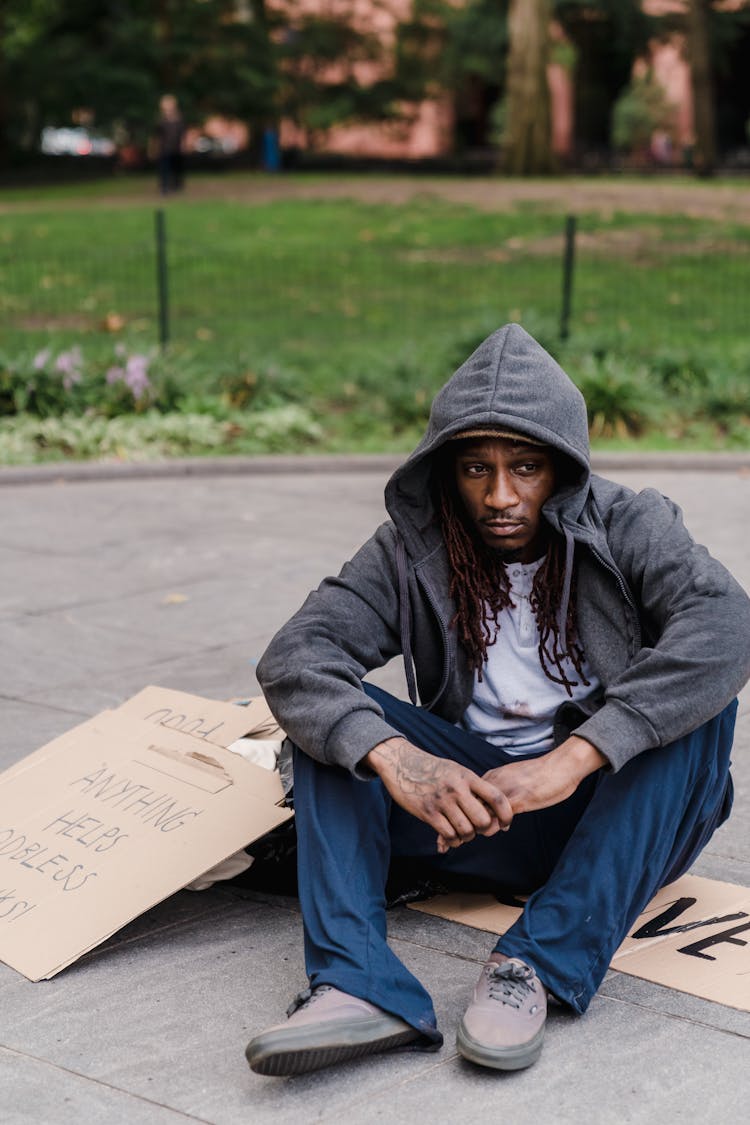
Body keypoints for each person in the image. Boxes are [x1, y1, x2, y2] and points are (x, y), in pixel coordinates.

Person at [246, 324, 750, 1077]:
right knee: (336, 725)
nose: (501, 494)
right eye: (476, 468)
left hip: (621, 818)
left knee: (702, 700)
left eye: (526, 466)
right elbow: (296, 655)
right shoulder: (410, 549)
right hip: (476, 818)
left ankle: (535, 966)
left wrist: (575, 758)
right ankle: (359, 982)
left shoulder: (631, 522)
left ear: (565, 470)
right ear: (447, 471)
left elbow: (727, 624)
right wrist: (396, 756)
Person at [155, 94, 185, 195]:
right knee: (164, 168)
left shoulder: (179, 119)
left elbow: (183, 133)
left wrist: (184, 144)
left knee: (177, 168)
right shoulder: (160, 120)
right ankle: (164, 187)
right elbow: (156, 135)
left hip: (176, 148)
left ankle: (176, 185)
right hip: (164, 149)